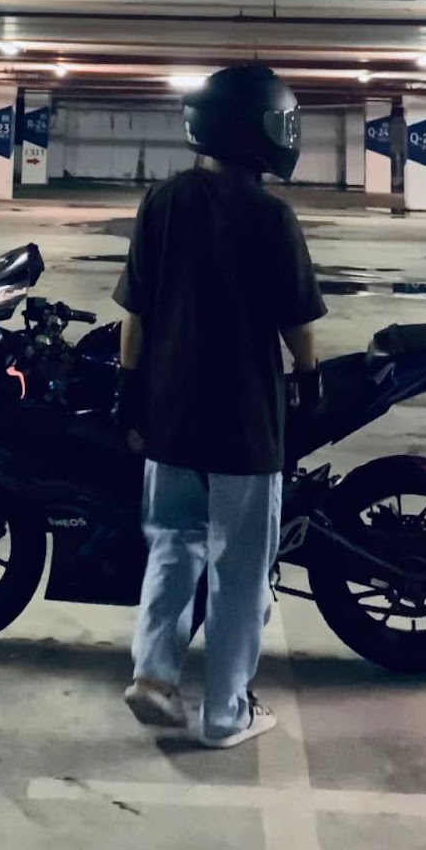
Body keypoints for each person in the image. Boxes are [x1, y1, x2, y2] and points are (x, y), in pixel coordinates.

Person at [112, 64, 326, 749]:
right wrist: (310, 378)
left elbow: (135, 314)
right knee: (240, 568)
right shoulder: (271, 216)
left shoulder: (162, 202)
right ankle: (226, 713)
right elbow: (297, 323)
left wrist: (129, 390)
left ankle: (154, 673)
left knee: (173, 544)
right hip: (245, 423)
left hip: (171, 415)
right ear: (255, 128)